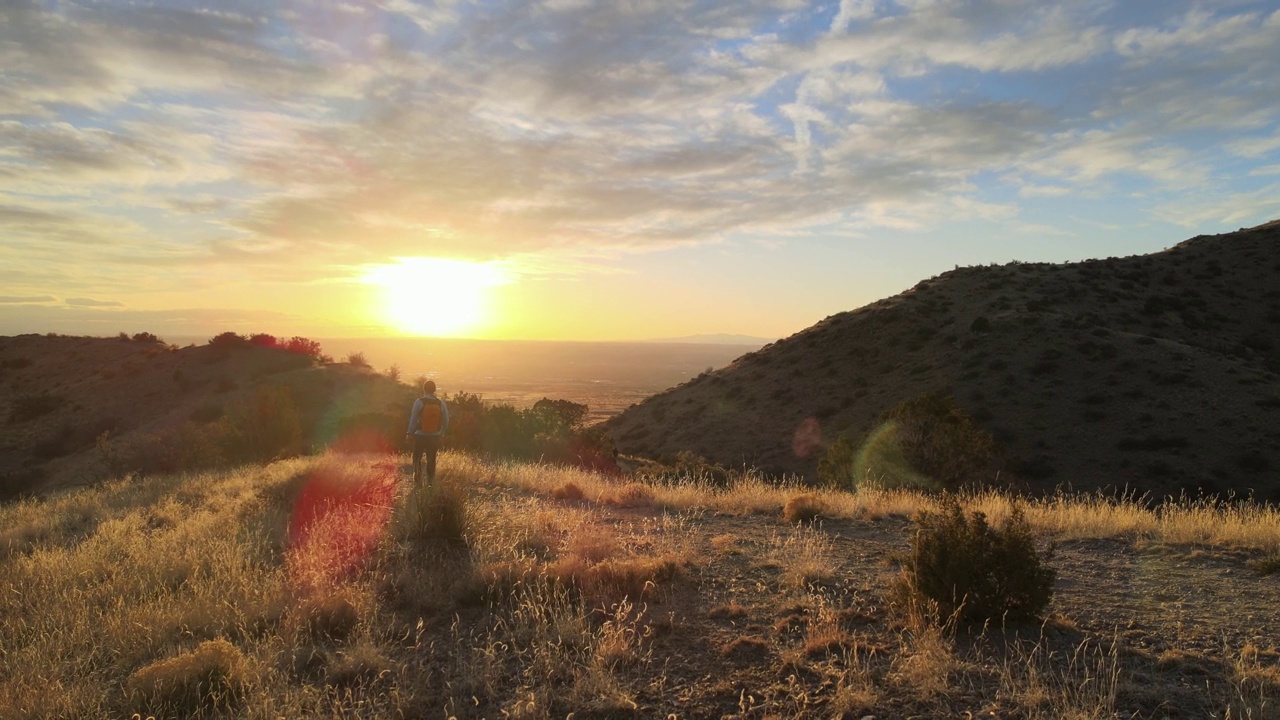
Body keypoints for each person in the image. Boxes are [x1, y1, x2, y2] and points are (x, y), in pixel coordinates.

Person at [406, 379, 449, 485]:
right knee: (431, 459)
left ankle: (417, 480)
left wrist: (409, 433)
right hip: (434, 436)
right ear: (434, 390)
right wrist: (442, 433)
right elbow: (446, 420)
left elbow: (413, 419)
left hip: (420, 435)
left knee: (417, 458)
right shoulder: (440, 403)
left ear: (424, 389)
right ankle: (430, 481)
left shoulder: (419, 402)